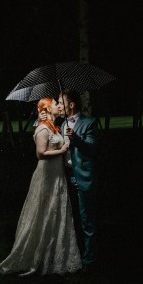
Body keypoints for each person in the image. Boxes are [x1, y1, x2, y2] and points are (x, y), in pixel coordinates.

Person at [0, 97, 83, 276]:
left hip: (57, 174)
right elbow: (40, 154)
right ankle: (35, 255)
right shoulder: (43, 128)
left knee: (55, 211)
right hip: (48, 175)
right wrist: (62, 150)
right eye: (56, 104)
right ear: (48, 109)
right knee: (44, 211)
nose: (59, 106)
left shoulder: (54, 126)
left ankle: (52, 254)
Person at [58, 89, 100, 272]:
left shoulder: (89, 123)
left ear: (72, 104)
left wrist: (75, 138)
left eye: (61, 102)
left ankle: (89, 260)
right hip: (66, 177)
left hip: (82, 177)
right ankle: (74, 256)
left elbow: (91, 148)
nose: (59, 106)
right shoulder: (62, 125)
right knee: (71, 219)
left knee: (87, 221)